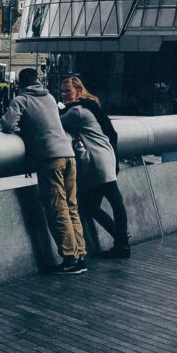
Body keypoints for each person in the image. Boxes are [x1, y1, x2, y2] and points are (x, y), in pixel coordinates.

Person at [1, 68, 86, 274]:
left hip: (50, 158)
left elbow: (7, 124)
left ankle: (70, 258)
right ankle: (80, 253)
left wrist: (26, 132)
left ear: (20, 84)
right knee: (71, 206)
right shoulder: (49, 97)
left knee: (57, 209)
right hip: (69, 155)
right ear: (37, 81)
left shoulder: (22, 99)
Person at [60, 75, 130, 258]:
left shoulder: (77, 112)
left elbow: (56, 124)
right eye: (62, 91)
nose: (63, 94)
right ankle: (121, 241)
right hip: (106, 157)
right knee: (99, 205)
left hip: (98, 161)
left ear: (78, 91)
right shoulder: (89, 106)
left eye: (68, 90)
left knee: (112, 202)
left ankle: (122, 244)